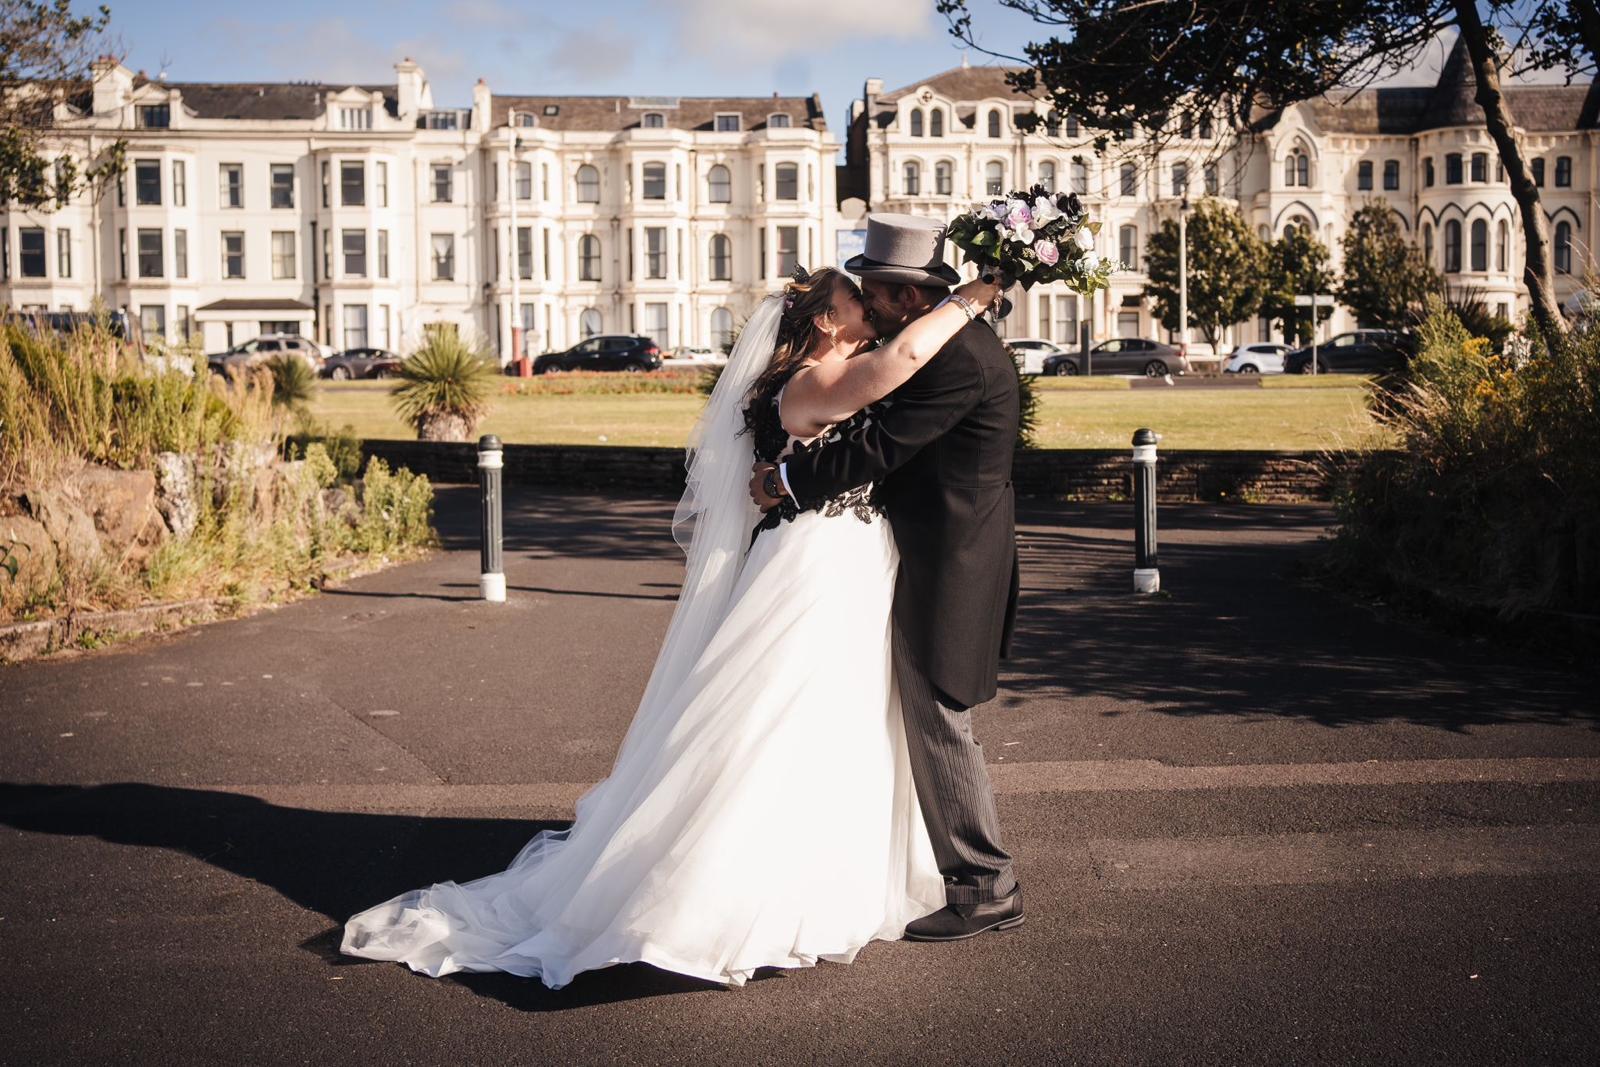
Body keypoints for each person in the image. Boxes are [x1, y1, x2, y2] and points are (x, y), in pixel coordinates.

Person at [339, 260, 1002, 989]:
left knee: (838, 721)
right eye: (857, 300)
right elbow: (903, 361)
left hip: (850, 561)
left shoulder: (832, 369)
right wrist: (972, 297)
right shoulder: (815, 382)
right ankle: (721, 894)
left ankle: (827, 873)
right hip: (819, 564)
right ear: (824, 320)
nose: (872, 308)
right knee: (778, 720)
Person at [751, 213, 1024, 941]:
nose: (867, 304)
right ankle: (958, 872)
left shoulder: (956, 357)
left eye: (873, 292)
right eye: (857, 297)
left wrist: (785, 477)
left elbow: (881, 443)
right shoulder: (943, 340)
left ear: (906, 299)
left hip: (950, 558)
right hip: (931, 549)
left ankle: (985, 883)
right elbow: (883, 403)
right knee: (916, 715)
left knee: (939, 718)